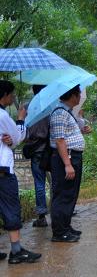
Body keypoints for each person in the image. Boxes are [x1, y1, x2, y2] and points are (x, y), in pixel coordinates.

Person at [0, 80, 41, 264]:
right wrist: (21, 119)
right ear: (5, 95)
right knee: (11, 208)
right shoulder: (2, 116)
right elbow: (18, 137)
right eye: (12, 94)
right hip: (2, 170)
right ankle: (16, 251)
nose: (13, 97)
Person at [49, 85, 91, 242]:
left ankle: (65, 226)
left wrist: (80, 132)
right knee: (63, 194)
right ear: (73, 96)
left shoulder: (66, 112)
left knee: (71, 193)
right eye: (79, 94)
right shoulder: (60, 113)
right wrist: (67, 164)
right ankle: (59, 232)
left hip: (72, 156)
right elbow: (59, 140)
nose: (80, 97)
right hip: (66, 158)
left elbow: (66, 135)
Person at [23, 85, 50, 228]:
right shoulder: (50, 106)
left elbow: (24, 133)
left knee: (39, 183)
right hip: (49, 150)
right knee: (56, 180)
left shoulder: (27, 107)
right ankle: (60, 210)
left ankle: (41, 216)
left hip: (35, 150)